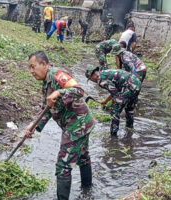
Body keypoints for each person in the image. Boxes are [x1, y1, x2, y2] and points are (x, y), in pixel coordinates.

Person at [26, 51, 95, 200]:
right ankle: (88, 192)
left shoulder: (58, 75)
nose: (31, 71)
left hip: (78, 124)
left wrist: (58, 92)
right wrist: (33, 125)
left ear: (43, 64)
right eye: (29, 68)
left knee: (63, 165)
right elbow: (48, 108)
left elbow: (79, 91)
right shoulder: (46, 83)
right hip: (80, 123)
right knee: (83, 157)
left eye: (33, 67)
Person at [85, 66, 141, 136]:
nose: (92, 81)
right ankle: (129, 129)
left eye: (90, 79)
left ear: (92, 76)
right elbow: (116, 89)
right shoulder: (104, 73)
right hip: (136, 83)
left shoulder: (100, 80)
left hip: (129, 86)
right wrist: (106, 100)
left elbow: (115, 94)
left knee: (115, 111)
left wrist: (114, 105)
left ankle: (113, 136)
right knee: (129, 109)